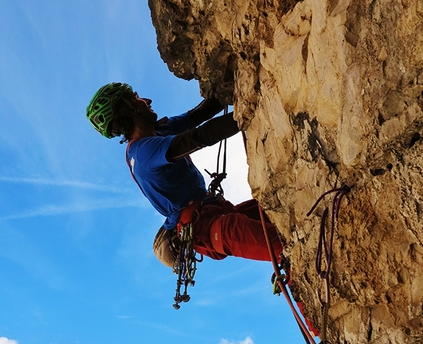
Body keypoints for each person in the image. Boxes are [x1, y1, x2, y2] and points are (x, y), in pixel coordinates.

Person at [86, 82, 283, 267]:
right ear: (130, 109)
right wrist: (249, 114)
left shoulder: (160, 131)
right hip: (204, 227)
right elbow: (198, 138)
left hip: (213, 211)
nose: (147, 100)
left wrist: (229, 86)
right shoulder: (142, 152)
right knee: (282, 249)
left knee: (282, 212)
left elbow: (199, 115)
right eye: (136, 97)